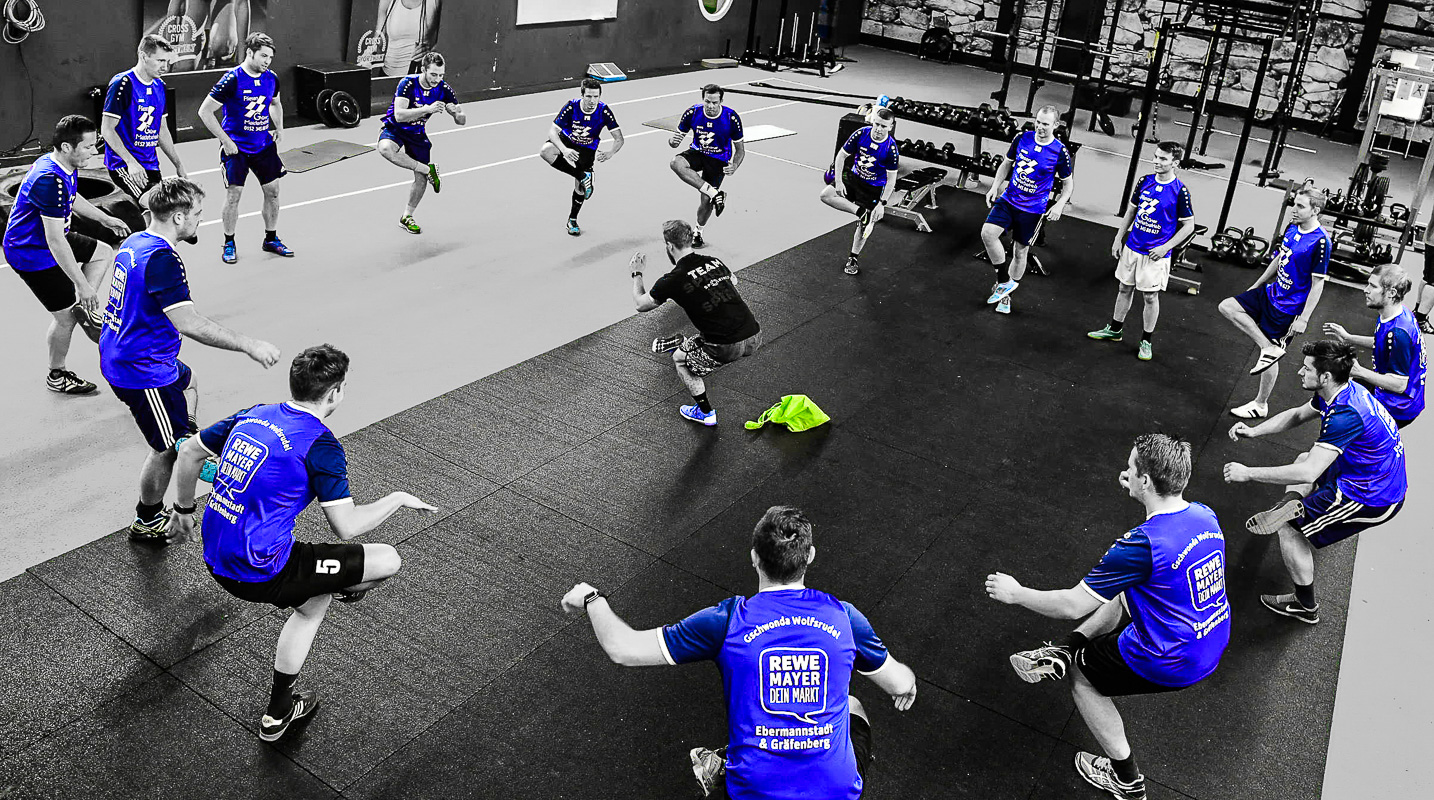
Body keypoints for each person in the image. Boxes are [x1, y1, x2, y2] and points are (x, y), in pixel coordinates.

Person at [169, 344, 436, 741]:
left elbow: (189, 450)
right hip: (261, 569)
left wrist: (183, 509)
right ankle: (277, 713)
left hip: (212, 555)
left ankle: (321, 598)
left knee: (315, 599)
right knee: (388, 559)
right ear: (335, 393)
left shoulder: (255, 412)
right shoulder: (321, 444)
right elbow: (345, 527)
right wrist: (397, 498)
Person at [561, 505, 918, 800]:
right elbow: (898, 682)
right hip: (834, 791)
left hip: (755, 790)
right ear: (809, 556)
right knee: (853, 704)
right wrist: (909, 684)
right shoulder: (845, 617)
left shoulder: (726, 621)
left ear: (753, 558)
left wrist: (592, 599)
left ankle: (728, 761)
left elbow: (622, 649)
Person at [986, 433, 1230, 800]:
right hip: (1210, 634)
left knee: (1083, 678)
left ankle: (1126, 780)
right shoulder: (1204, 515)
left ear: (1146, 480)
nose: (1125, 471)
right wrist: (1139, 489)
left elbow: (1072, 604)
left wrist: (1017, 594)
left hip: (1173, 657)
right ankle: (1066, 649)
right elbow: (1165, 536)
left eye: (1131, 469)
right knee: (1126, 588)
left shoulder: (1139, 545)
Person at [98, 177, 280, 542]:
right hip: (142, 370)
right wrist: (248, 344)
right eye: (196, 214)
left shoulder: (136, 240)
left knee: (190, 380)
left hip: (130, 353)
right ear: (178, 217)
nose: (200, 220)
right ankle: (147, 518)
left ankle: (184, 433)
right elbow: (189, 323)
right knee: (164, 450)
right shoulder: (163, 259)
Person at [1224, 340, 1407, 624]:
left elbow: (1310, 473)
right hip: (1367, 469)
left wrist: (1248, 472)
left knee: (1289, 530)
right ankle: (1290, 504)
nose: (1299, 372)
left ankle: (1305, 605)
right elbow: (1297, 415)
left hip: (1372, 495)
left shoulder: (1345, 414)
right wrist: (1254, 432)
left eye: (1306, 368)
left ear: (1324, 377)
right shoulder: (1341, 389)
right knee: (1302, 456)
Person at [2, 115, 129, 395]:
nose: (94, 152)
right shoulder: (49, 180)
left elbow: (72, 198)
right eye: (88, 147)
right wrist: (82, 286)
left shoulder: (62, 164)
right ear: (66, 147)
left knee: (102, 253)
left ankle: (83, 308)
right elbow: (56, 241)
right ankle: (56, 375)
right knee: (65, 318)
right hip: (31, 252)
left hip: (50, 236)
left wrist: (103, 219)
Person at [631, 220, 761, 427]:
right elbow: (733, 281)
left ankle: (706, 413)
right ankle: (687, 343)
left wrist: (637, 273)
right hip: (754, 334)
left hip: (725, 346)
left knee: (680, 360)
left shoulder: (672, 280)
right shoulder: (714, 261)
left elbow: (640, 304)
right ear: (690, 240)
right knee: (691, 346)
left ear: (670, 246)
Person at [1218, 188, 1330, 419]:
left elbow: (1318, 284)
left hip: (1288, 309)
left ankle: (1261, 404)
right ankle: (1268, 347)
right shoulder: (1293, 228)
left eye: (1300, 206)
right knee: (1227, 306)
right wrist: (1257, 284)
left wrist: (1304, 318)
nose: (1294, 210)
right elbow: (1280, 258)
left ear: (1315, 210)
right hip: (1271, 293)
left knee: (1270, 358)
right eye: (1294, 204)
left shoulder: (1321, 242)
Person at [1087, 141, 1194, 361]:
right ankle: (1115, 329)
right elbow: (1131, 211)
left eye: (1163, 159)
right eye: (1156, 156)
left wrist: (1165, 247)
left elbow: (1189, 226)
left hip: (1155, 255)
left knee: (1150, 297)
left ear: (1175, 162)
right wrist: (1119, 238)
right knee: (1124, 288)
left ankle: (1146, 340)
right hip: (1133, 247)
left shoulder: (1180, 191)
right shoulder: (1144, 181)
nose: (1157, 161)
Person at [198, 32, 291, 265]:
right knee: (234, 195)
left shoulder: (272, 78)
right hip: (235, 149)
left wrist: (279, 127)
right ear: (249, 52)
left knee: (273, 192)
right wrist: (226, 141)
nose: (267, 61)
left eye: (270, 57)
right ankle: (229, 242)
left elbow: (276, 103)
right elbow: (205, 112)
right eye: (263, 56)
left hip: (263, 146)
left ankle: (271, 238)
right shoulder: (232, 79)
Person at [983, 104, 1075, 315]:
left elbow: (1068, 185)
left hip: (1033, 209)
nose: (1040, 127)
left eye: (1045, 124)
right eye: (1038, 122)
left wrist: (1059, 204)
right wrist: (994, 187)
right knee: (988, 233)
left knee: (1020, 251)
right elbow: (1006, 164)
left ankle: (1006, 296)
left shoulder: (1060, 151)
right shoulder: (1021, 138)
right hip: (1009, 199)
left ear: (1056, 125)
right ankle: (1003, 281)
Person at [1322, 264, 1426, 428]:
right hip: (1391, 391)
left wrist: (1359, 372)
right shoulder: (1394, 313)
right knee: (1338, 389)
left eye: (1373, 286)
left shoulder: (1399, 332)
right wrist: (1348, 338)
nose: (1366, 290)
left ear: (1391, 293)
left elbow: (1399, 385)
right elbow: (1382, 343)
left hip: (1397, 406)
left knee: (1346, 434)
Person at [377, 51, 464, 234]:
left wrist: (456, 113)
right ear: (423, 69)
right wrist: (428, 109)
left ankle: (407, 216)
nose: (437, 79)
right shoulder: (408, 83)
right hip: (396, 129)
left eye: (441, 75)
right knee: (385, 149)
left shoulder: (443, 88)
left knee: (420, 180)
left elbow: (462, 121)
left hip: (417, 133)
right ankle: (427, 169)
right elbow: (399, 115)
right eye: (433, 74)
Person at [102, 35, 188, 215]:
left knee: (157, 216)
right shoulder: (123, 83)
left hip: (150, 164)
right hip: (124, 165)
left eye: (168, 61)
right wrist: (130, 162)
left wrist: (178, 164)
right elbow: (107, 129)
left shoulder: (160, 85)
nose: (165, 67)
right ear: (143, 56)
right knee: (160, 208)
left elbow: (161, 129)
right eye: (160, 61)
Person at [539, 78, 624, 236]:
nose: (592, 101)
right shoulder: (571, 106)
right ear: (582, 95)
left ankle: (572, 219)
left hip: (587, 149)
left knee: (581, 188)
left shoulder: (604, 111)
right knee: (545, 151)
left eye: (596, 97)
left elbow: (619, 138)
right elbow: (552, 132)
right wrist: (564, 150)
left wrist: (610, 153)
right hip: (567, 140)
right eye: (589, 97)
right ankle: (582, 175)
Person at [819, 106, 899, 276]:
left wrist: (881, 203)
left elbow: (891, 179)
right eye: (877, 124)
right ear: (873, 121)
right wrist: (839, 181)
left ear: (890, 127)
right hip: (854, 178)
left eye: (883, 126)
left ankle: (853, 258)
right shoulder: (861, 133)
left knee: (863, 228)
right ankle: (861, 212)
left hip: (873, 187)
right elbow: (841, 156)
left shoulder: (891, 149)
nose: (878, 129)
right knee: (825, 195)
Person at [668, 84, 744, 248]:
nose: (710, 106)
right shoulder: (693, 112)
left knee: (705, 201)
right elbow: (674, 142)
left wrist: (735, 165)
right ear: (703, 99)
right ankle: (716, 193)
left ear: (721, 101)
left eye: (714, 103)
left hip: (718, 159)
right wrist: (672, 142)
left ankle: (698, 232)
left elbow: (740, 150)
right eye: (707, 101)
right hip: (698, 153)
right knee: (676, 163)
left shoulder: (731, 118)